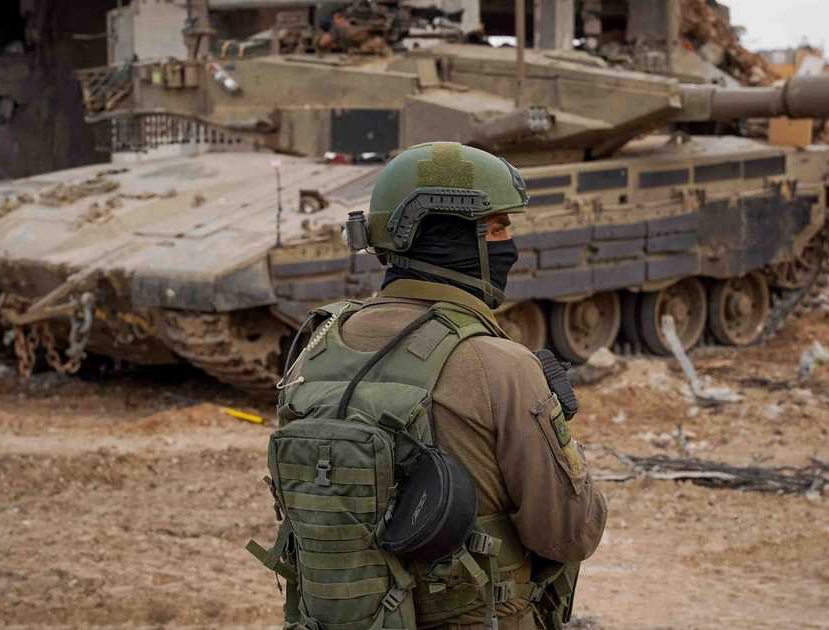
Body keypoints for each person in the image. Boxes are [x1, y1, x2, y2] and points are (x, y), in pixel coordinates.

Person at [254, 142, 607, 630]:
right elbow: (569, 533)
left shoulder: (317, 345)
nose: (510, 244)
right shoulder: (502, 366)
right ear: (450, 237)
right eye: (497, 228)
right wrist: (561, 433)